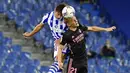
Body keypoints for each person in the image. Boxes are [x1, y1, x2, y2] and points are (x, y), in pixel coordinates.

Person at [23, 3, 70, 73]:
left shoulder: (66, 19)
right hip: (57, 42)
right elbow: (40, 26)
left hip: (66, 42)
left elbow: (73, 30)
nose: (60, 17)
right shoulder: (48, 16)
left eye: (61, 15)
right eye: (58, 14)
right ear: (55, 10)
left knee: (59, 59)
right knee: (59, 63)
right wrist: (30, 34)